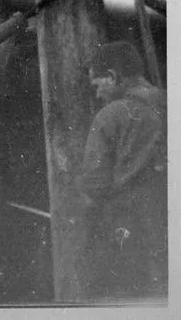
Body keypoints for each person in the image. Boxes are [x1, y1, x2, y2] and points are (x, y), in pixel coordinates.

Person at [81, 41, 167, 300]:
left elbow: (95, 183)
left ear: (112, 76)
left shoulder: (111, 115)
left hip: (131, 228)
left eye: (97, 85)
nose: (97, 95)